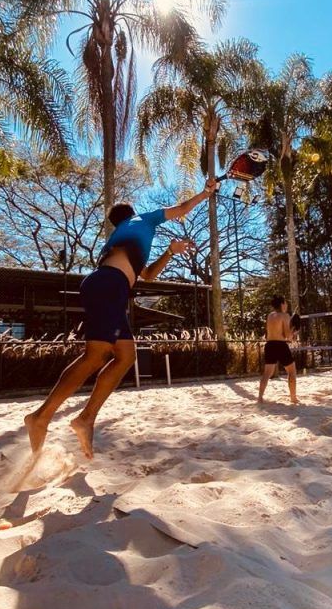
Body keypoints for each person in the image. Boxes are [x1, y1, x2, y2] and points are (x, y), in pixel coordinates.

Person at [24, 181, 219, 457]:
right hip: (110, 285)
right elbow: (183, 208)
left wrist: (169, 252)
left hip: (107, 286)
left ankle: (85, 419)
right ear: (132, 213)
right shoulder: (143, 220)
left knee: (125, 356)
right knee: (95, 356)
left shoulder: (123, 236)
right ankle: (41, 417)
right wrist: (207, 192)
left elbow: (147, 275)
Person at [258, 296, 298, 404]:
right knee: (292, 372)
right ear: (282, 304)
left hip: (269, 345)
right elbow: (288, 336)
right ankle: (293, 398)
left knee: (267, 374)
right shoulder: (285, 316)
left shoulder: (270, 316)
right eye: (285, 303)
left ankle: (260, 398)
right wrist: (294, 331)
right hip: (280, 345)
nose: (287, 305)